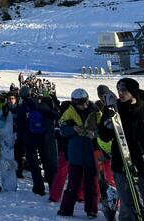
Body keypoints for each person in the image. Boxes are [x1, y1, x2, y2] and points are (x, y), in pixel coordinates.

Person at [98, 78, 144, 221]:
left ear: (133, 92)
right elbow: (104, 137)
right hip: (121, 163)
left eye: (124, 90)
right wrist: (106, 121)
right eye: (118, 90)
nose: (120, 93)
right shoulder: (114, 110)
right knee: (127, 203)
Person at [57, 89, 100, 219]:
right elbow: (62, 128)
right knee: (73, 182)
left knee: (91, 182)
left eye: (83, 102)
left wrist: (94, 134)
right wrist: (73, 129)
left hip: (90, 151)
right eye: (78, 103)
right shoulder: (70, 111)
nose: (82, 105)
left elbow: (103, 129)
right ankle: (66, 209)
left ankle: (91, 210)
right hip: (75, 152)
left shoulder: (96, 112)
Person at [17, 86, 47, 196]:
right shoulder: (39, 103)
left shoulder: (22, 107)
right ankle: (52, 182)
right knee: (45, 160)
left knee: (33, 162)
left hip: (29, 137)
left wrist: (20, 139)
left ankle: (39, 187)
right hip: (42, 135)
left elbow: (20, 125)